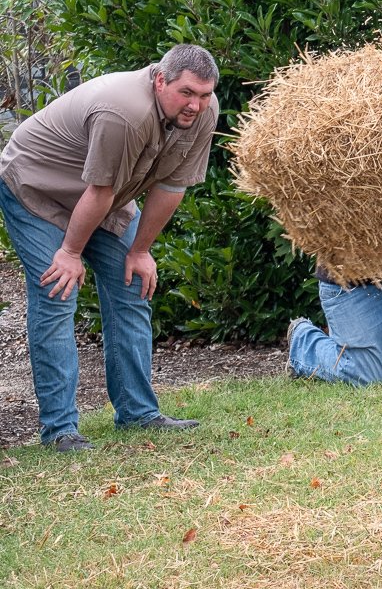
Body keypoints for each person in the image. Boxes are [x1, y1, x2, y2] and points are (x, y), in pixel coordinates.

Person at [0, 44, 219, 452]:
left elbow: (172, 186)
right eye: (186, 93)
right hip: (37, 187)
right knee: (57, 292)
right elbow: (100, 191)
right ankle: (60, 430)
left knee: (132, 284)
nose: (196, 105)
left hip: (104, 195)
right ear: (160, 80)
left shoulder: (203, 113)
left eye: (204, 95)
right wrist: (68, 253)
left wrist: (140, 250)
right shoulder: (125, 112)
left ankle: (138, 413)